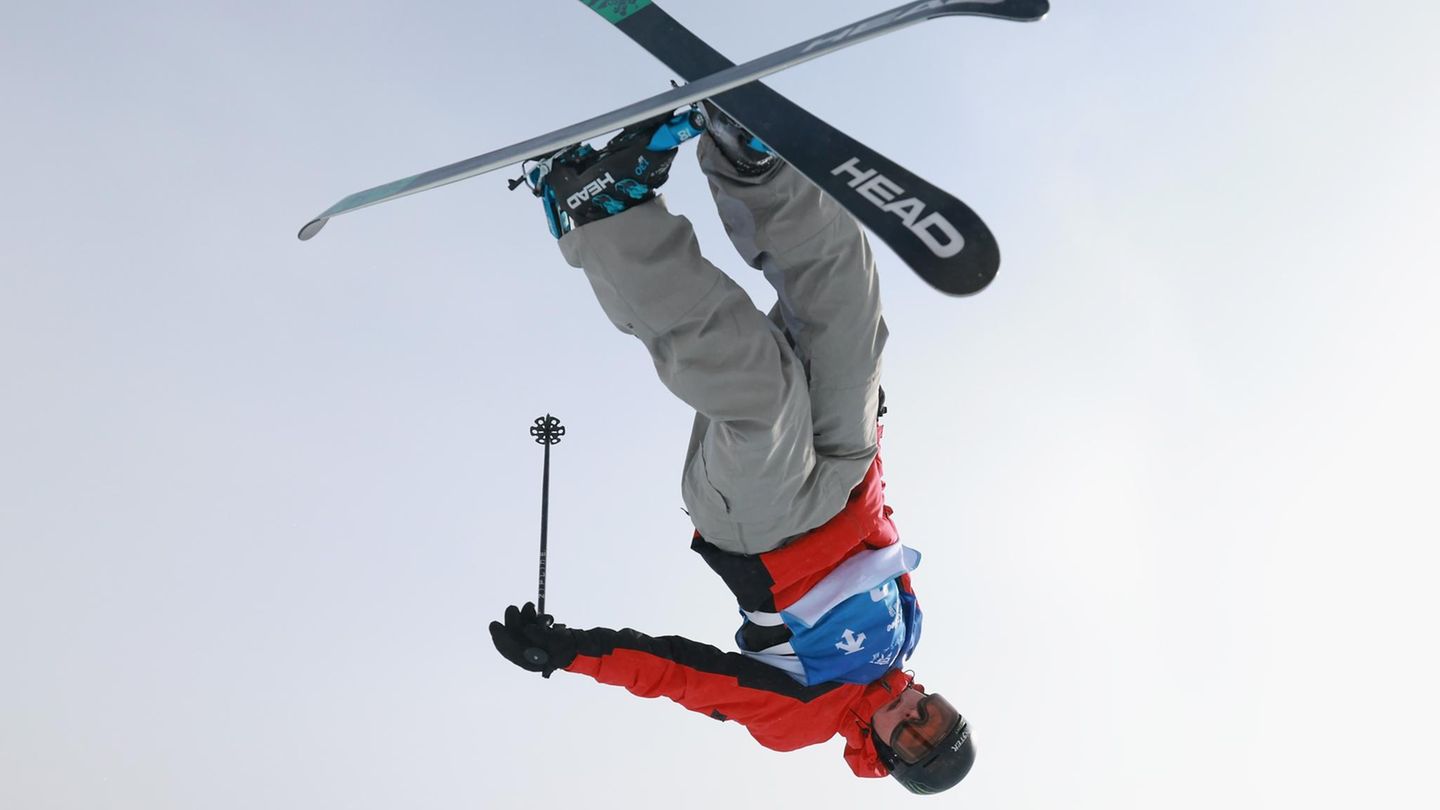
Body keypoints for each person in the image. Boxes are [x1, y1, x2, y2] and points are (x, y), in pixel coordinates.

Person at [489, 104, 974, 794]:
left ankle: (602, 216)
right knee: (850, 322)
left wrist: (572, 653)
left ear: (883, 754)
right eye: (938, 715)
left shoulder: (801, 720)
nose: (917, 713)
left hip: (763, 523)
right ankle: (754, 163)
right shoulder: (907, 632)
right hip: (849, 469)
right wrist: (872, 426)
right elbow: (879, 535)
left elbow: (684, 677)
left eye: (913, 738)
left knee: (759, 394)